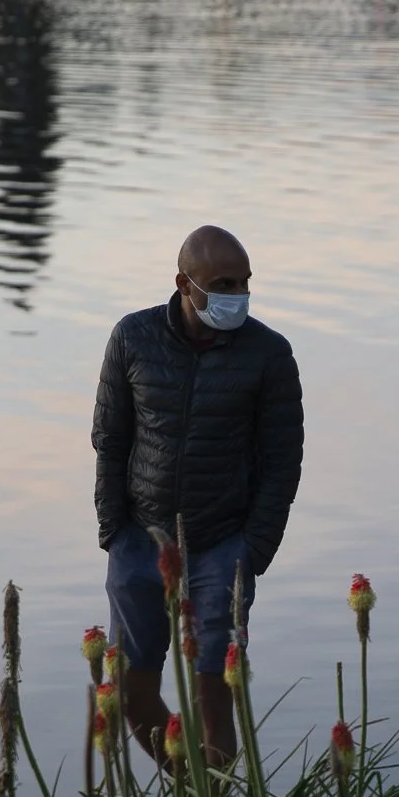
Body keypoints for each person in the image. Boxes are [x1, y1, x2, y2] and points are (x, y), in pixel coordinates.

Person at [92, 225, 304, 765]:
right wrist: (114, 530)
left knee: (215, 690)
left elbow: (283, 461)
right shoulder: (132, 337)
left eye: (244, 283)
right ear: (184, 284)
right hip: (140, 539)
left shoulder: (269, 354)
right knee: (129, 692)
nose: (237, 295)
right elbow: (110, 438)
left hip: (222, 544)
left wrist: (253, 550)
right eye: (223, 283)